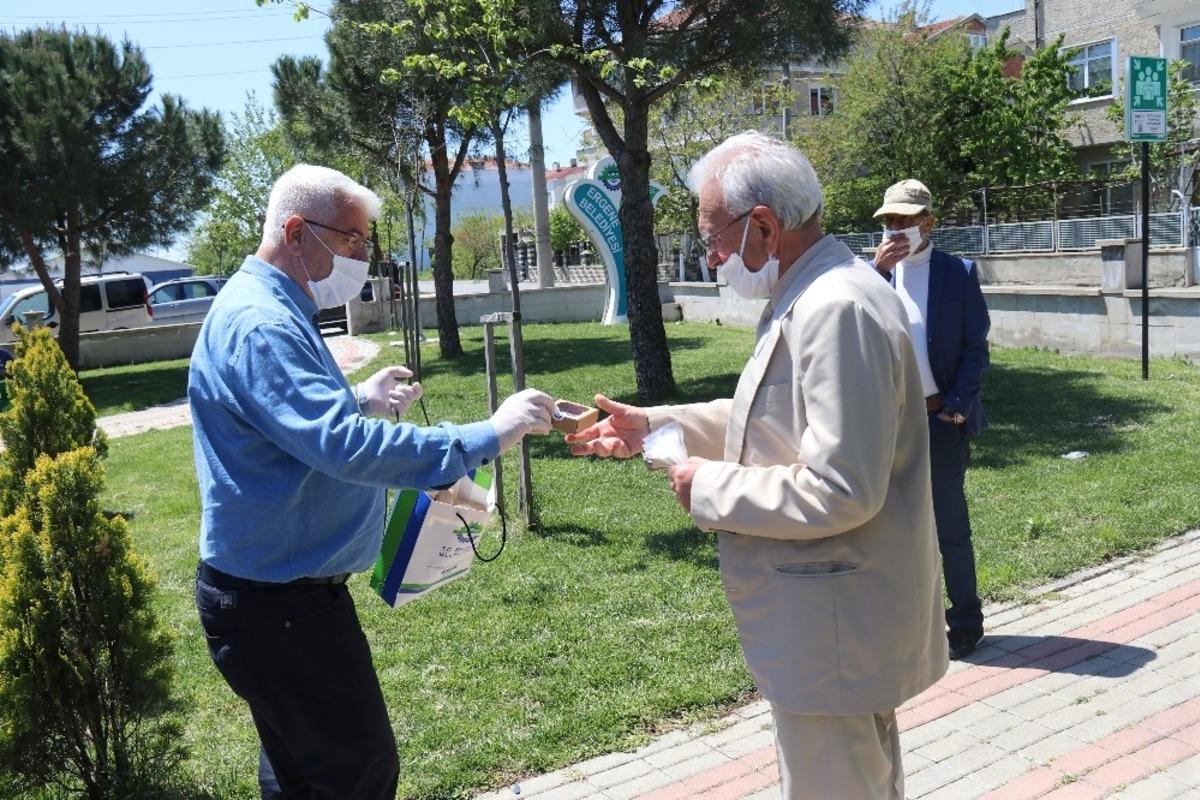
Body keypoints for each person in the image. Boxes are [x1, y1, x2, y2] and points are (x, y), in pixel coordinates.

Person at [567, 133, 947, 800]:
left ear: (765, 226)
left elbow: (841, 488)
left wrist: (706, 485)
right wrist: (656, 425)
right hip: (831, 625)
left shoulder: (834, 307)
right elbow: (773, 415)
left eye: (713, 239)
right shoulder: (817, 292)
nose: (712, 259)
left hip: (831, 627)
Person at [188, 164, 555, 800]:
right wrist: (490, 433)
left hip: (276, 601)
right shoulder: (263, 322)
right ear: (296, 232)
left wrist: (359, 398)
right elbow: (343, 447)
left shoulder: (270, 307)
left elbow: (286, 423)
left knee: (303, 775)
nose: (363, 256)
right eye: (352, 239)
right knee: (357, 772)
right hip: (282, 609)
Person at [872, 179, 991, 660]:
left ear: (928, 224)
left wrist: (957, 406)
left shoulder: (957, 273)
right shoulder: (871, 277)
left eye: (905, 220)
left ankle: (965, 621)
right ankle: (908, 622)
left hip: (940, 422)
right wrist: (876, 274)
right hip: (892, 425)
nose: (895, 228)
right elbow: (855, 330)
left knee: (949, 527)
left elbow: (975, 348)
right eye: (889, 220)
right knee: (892, 527)